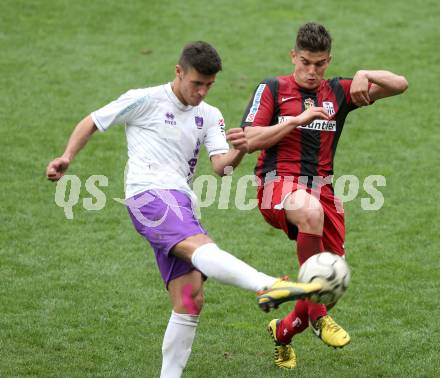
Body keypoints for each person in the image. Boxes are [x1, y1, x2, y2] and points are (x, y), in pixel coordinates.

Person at [46, 41, 322, 377]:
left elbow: (222, 167)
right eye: (196, 83)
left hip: (182, 201)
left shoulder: (210, 115)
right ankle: (266, 284)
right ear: (179, 72)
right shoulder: (145, 99)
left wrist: (241, 150)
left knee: (190, 301)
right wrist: (67, 157)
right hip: (149, 196)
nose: (202, 91)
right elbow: (92, 120)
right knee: (201, 248)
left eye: (209, 85)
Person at [241, 23, 408, 369]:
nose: (312, 71)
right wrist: (295, 120)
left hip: (324, 189)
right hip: (277, 183)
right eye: (305, 62)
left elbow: (400, 84)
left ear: (329, 60)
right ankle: (318, 320)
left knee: (333, 280)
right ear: (293, 56)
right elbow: (251, 138)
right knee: (310, 213)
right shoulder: (272, 88)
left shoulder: (338, 92)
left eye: (320, 64)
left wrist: (364, 73)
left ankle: (283, 333)